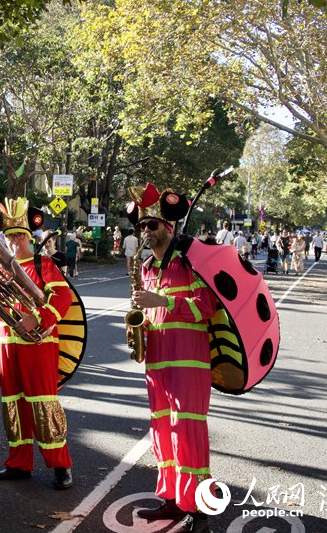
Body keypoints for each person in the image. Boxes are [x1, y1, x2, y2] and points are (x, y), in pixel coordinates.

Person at [127, 184, 218, 533]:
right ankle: (172, 498)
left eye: (152, 225)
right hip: (158, 361)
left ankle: (199, 508)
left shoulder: (192, 260)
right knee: (162, 429)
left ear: (168, 226)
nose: (146, 232)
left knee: (188, 429)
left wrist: (162, 303)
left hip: (188, 360)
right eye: (143, 227)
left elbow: (206, 307)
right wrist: (140, 323)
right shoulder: (147, 266)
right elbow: (149, 313)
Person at [0, 198, 74, 490]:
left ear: (28, 237)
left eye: (19, 235)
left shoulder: (44, 265)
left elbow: (63, 298)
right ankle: (19, 463)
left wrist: (37, 317)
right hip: (5, 344)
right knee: (13, 405)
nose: (15, 240)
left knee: (43, 403)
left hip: (38, 345)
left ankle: (61, 465)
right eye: (10, 236)